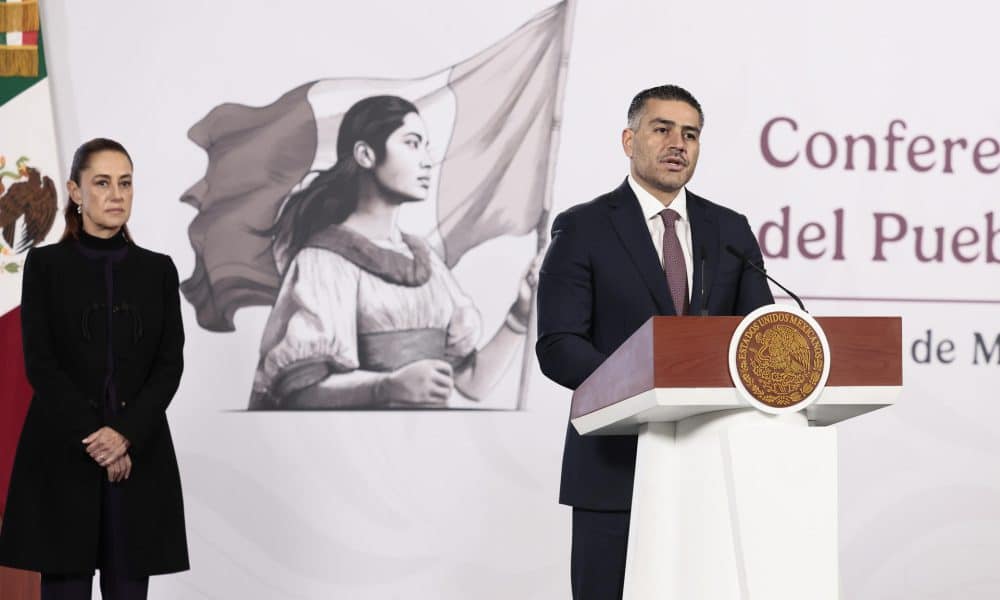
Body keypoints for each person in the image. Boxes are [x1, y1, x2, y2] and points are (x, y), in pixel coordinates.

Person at [535, 85, 774, 599]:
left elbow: (759, 340)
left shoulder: (729, 229)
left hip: (710, 464)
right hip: (613, 468)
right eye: (662, 128)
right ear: (629, 139)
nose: (677, 144)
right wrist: (647, 389)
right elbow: (558, 345)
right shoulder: (584, 228)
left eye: (690, 134)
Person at [249, 95, 539, 409]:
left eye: (426, 146)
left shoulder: (425, 261)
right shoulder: (324, 261)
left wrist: (520, 315)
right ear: (365, 154)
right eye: (412, 143)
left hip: (428, 447)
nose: (427, 160)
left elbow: (471, 383)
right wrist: (386, 387)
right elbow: (299, 392)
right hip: (352, 451)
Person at [0, 139, 189, 599]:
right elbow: (41, 364)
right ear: (76, 191)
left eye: (125, 183)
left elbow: (169, 365)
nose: (116, 194)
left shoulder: (158, 271)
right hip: (64, 457)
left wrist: (123, 434)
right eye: (102, 183)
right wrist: (98, 439)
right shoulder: (45, 266)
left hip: (136, 461)